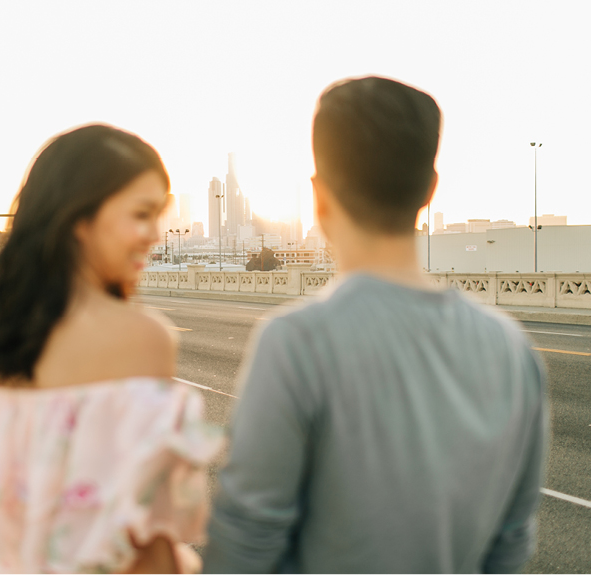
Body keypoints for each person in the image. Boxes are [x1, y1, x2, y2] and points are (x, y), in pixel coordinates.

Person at [203, 77, 547, 573]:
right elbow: (511, 542)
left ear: (320, 197)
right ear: (429, 189)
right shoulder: (514, 350)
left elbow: (246, 541)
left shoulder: (298, 341)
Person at [0, 124, 222, 574]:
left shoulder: (4, 330)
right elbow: (147, 542)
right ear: (80, 217)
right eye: (141, 214)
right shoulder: (140, 336)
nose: (155, 233)